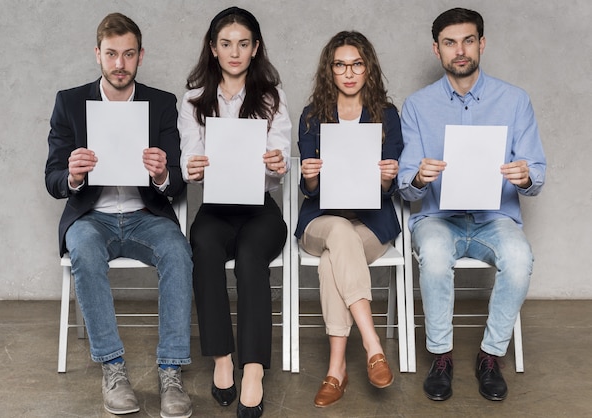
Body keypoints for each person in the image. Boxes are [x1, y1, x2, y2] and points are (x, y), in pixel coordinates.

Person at [44, 13, 193, 418]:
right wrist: (72, 176)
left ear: (140, 56)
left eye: (128, 54)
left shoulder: (161, 104)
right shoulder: (70, 102)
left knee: (179, 253)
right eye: (111, 54)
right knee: (85, 251)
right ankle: (113, 368)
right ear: (98, 54)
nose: (119, 64)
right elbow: (52, 176)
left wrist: (163, 174)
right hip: (93, 217)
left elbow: (178, 181)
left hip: (147, 216)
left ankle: (171, 370)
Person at [398, 7, 546, 402]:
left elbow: (537, 175)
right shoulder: (416, 106)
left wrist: (525, 175)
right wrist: (417, 178)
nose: (459, 50)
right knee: (431, 251)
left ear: (481, 44)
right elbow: (405, 185)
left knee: (519, 257)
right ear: (437, 49)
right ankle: (441, 356)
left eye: (467, 40)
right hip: (438, 218)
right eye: (450, 43)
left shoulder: (514, 101)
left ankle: (489, 355)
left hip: (495, 218)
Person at [177, 6, 290, 418]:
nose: (235, 52)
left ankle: (254, 368)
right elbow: (190, 155)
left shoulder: (272, 98)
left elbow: (280, 164)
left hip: (260, 208)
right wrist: (192, 165)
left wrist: (279, 164)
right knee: (203, 246)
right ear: (213, 48)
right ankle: (222, 357)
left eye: (243, 44)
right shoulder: (193, 101)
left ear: (255, 48)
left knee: (249, 257)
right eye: (226, 44)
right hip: (216, 208)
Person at [294, 31, 403, 407]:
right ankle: (373, 345)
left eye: (356, 64)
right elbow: (310, 190)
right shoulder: (312, 116)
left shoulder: (387, 115)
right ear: (330, 70)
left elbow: (390, 188)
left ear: (368, 67)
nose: (349, 72)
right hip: (321, 220)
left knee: (332, 261)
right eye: (340, 65)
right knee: (338, 232)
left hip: (371, 224)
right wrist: (310, 175)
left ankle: (336, 368)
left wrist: (388, 177)